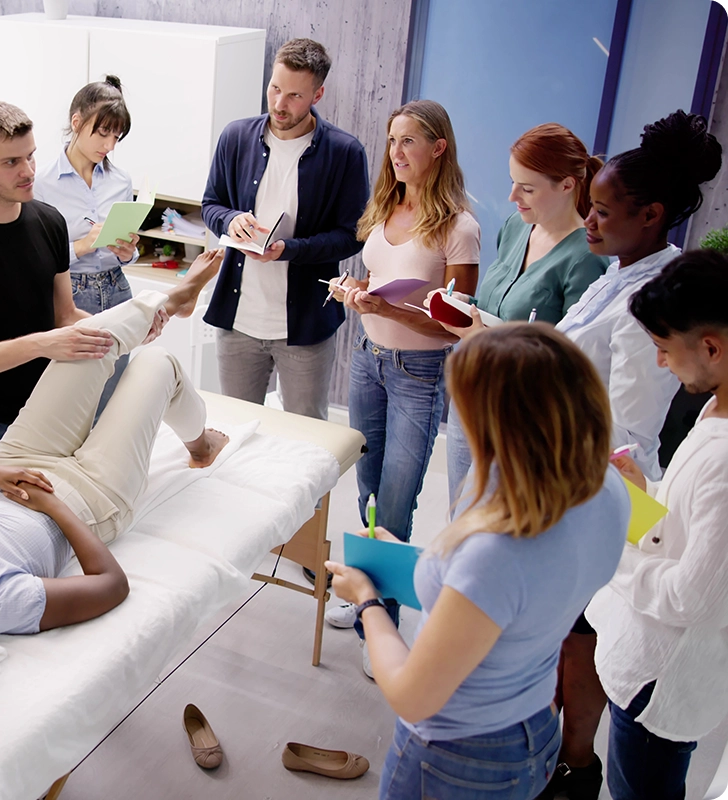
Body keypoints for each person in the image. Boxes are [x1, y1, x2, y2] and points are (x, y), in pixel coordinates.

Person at [325, 323, 630, 800]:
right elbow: (513, 600)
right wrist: (421, 564)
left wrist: (368, 601)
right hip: (532, 725)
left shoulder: (496, 550)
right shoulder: (609, 491)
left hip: (456, 757)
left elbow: (412, 695)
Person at [0, 251, 224, 642]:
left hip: (14, 463)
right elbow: (111, 585)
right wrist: (51, 504)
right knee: (157, 364)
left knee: (84, 344)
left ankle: (170, 302)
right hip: (92, 496)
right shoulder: (2, 602)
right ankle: (200, 446)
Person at [545, 109, 722, 800]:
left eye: (601, 211)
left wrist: (618, 541)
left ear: (651, 215)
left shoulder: (654, 298)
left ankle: (574, 761)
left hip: (605, 487)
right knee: (574, 633)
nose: (587, 222)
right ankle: (572, 757)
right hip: (588, 479)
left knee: (583, 634)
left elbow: (629, 429)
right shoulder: (616, 272)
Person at [325, 100, 480, 659]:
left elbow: (458, 324)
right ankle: (369, 596)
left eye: (408, 141)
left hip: (418, 370)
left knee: (396, 498)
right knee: (366, 487)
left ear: (438, 148)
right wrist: (356, 292)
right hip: (367, 358)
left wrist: (387, 311)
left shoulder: (460, 228)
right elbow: (383, 278)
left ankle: (382, 624)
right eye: (392, 141)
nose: (395, 153)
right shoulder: (386, 207)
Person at [0, 100, 140, 489]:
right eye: (11, 162)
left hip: (44, 413)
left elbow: (66, 316)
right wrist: (44, 344)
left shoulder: (49, 222)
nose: (27, 172)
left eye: (31, 156)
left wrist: (126, 326)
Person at [581, 250, 728, 800]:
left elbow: (693, 596)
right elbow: (688, 531)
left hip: (661, 678)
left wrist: (610, 550)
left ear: (710, 346)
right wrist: (643, 498)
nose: (662, 364)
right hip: (650, 662)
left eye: (665, 349)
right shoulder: (716, 406)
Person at [201, 37, 369, 421]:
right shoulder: (236, 137)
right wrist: (231, 220)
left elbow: (352, 236)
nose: (279, 104)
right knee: (236, 433)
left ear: (318, 93)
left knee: (305, 444)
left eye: (294, 95)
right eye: (275, 88)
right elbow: (211, 204)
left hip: (305, 328)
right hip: (238, 322)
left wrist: (289, 249)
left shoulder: (345, 153)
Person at [441, 123, 609, 503]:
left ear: (568, 185)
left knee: (494, 523)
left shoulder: (586, 259)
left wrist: (485, 338)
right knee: (459, 511)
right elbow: (496, 304)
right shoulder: (518, 226)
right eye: (514, 182)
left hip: (519, 416)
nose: (513, 195)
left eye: (527, 188)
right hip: (472, 393)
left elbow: (571, 361)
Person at [33, 76, 143, 417]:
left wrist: (128, 253)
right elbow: (34, 258)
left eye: (116, 136)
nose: (108, 145)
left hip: (116, 289)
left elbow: (125, 249)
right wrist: (81, 246)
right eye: (102, 133)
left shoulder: (121, 181)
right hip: (70, 294)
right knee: (71, 399)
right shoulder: (41, 184)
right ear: (76, 122)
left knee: (115, 395)